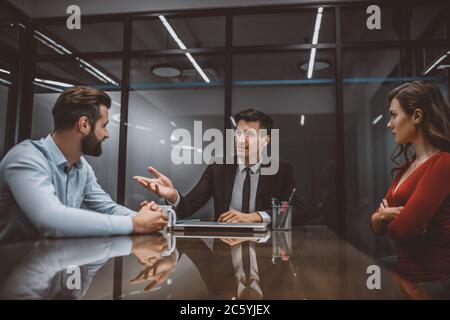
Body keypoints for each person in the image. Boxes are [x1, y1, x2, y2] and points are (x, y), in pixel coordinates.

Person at [0, 86, 167, 243]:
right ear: (84, 124)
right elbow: (51, 220)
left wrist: (146, 218)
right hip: (12, 267)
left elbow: (108, 208)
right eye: (104, 126)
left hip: (50, 262)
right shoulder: (26, 157)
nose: (107, 134)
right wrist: (136, 223)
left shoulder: (82, 167)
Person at [134, 108, 307, 225]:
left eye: (250, 135)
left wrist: (255, 217)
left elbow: (299, 213)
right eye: (238, 133)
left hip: (267, 251)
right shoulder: (218, 168)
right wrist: (173, 196)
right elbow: (187, 209)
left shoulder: (281, 170)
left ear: (266, 140)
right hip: (224, 248)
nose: (241, 140)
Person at [370, 81, 450, 283]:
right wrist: (386, 216)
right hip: (406, 271)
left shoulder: (443, 163)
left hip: (428, 280)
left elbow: (402, 230)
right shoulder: (406, 167)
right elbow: (374, 225)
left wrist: (385, 216)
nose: (389, 124)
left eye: (394, 115)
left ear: (416, 116)